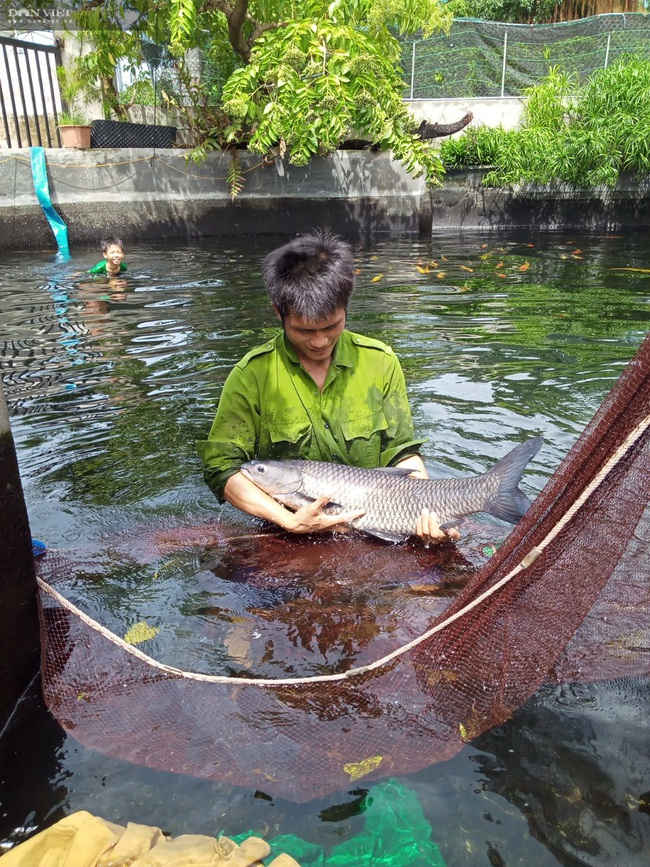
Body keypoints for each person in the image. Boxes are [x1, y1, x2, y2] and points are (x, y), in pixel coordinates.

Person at [197, 230, 459, 545]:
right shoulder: (252, 375)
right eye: (304, 330)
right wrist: (289, 520)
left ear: (346, 308)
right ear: (278, 313)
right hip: (285, 533)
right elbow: (221, 468)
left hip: (377, 528)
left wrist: (427, 511)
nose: (320, 341)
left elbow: (401, 452)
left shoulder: (380, 363)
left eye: (331, 326)